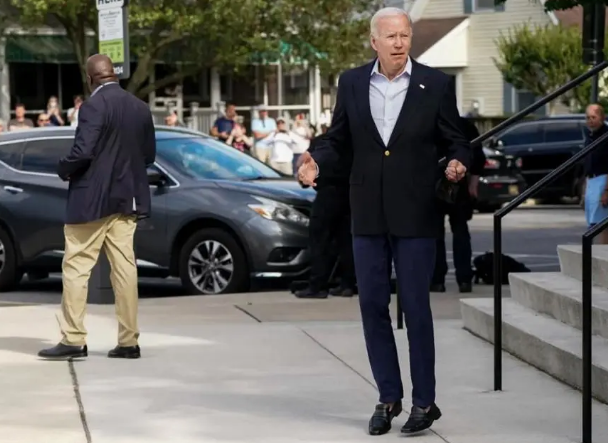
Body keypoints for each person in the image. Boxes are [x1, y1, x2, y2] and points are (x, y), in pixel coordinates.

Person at [298, 7, 470, 436]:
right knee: (372, 306)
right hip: (367, 213)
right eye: (390, 36)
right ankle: (388, 397)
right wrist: (315, 160)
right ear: (374, 41)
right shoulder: (352, 82)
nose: (398, 43)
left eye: (404, 35)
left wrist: (457, 162)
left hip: (416, 213)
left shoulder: (436, 84)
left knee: (415, 307)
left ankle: (424, 402)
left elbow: (457, 140)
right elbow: (338, 139)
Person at [38, 54, 156, 360]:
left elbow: (83, 152)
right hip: (127, 199)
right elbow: (148, 156)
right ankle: (128, 341)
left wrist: (63, 168)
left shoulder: (92, 106)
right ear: (113, 75)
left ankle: (74, 339)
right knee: (125, 269)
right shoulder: (140, 107)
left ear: (91, 78)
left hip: (91, 200)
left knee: (76, 268)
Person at [295, 132, 356, 299]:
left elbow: (304, 172)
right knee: (346, 240)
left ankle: (317, 286)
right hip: (350, 194)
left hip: (327, 194)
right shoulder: (352, 140)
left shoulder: (322, 142)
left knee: (319, 240)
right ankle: (347, 284)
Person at [431, 116, 485, 293]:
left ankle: (437, 279)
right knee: (460, 230)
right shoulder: (463, 125)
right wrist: (473, 183)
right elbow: (478, 156)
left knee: (435, 233)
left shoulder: (429, 120)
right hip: (458, 181)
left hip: (434, 180)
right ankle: (464, 278)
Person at [582, 103, 608, 244]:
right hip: (591, 181)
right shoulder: (589, 136)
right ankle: (591, 253)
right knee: (591, 222)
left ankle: (603, 253)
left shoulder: (605, 136)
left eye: (593, 117)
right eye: (588, 118)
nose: (590, 121)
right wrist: (585, 188)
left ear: (602, 118)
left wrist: (606, 191)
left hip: (603, 180)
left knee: (603, 224)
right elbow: (587, 163)